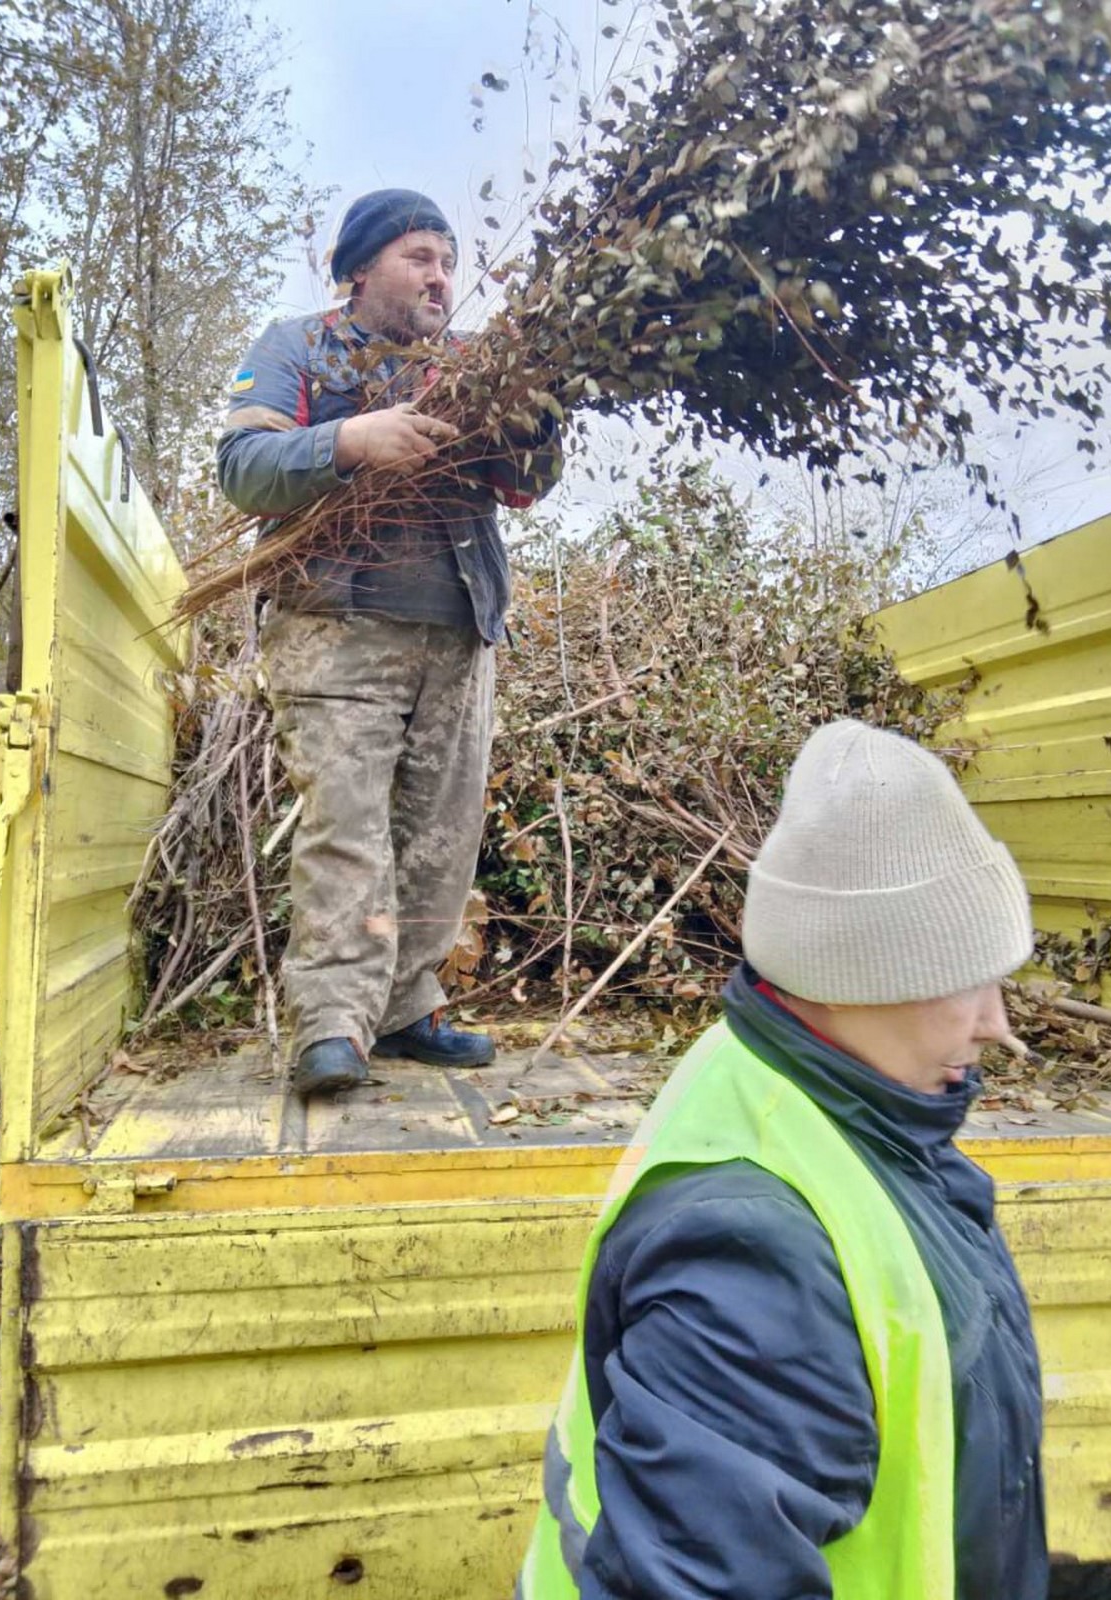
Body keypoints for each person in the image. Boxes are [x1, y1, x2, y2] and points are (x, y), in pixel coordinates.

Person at [519, 719, 1046, 1600]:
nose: (998, 1024)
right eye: (971, 979)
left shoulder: (813, 1087)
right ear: (859, 972)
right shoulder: (754, 1260)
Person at [216, 189, 560, 1097]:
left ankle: (407, 1009)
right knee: (348, 828)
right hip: (334, 630)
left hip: (457, 629)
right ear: (360, 267)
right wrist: (351, 439)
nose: (440, 275)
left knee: (442, 835)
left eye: (448, 260)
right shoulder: (299, 347)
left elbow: (523, 488)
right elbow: (243, 471)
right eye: (419, 256)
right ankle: (332, 1027)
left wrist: (540, 415)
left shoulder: (474, 367)